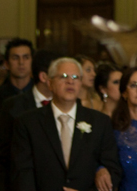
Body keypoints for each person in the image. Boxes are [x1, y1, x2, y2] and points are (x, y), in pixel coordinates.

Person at [12, 57, 119, 191]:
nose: (70, 82)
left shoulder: (99, 122)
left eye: (75, 77)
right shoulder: (28, 122)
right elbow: (23, 173)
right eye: (63, 77)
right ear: (50, 83)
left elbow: (113, 169)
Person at [0, 49, 58, 191]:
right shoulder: (12, 106)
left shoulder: (73, 105)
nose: (68, 82)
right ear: (44, 77)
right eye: (62, 76)